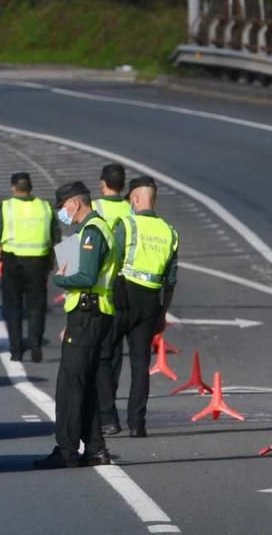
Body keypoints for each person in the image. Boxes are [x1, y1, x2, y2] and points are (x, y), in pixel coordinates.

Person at [34, 181, 116, 470]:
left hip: (89, 314)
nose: (62, 213)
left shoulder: (93, 231)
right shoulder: (87, 231)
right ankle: (95, 449)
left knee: (70, 385)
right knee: (87, 383)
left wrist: (60, 277)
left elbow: (87, 277)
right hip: (88, 315)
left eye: (63, 207)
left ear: (75, 203)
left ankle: (66, 450)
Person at [96, 176, 178, 439]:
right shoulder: (169, 231)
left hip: (123, 297)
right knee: (141, 364)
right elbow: (172, 279)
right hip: (151, 301)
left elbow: (112, 262)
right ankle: (137, 423)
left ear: (134, 199)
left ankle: (109, 419)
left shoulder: (127, 225)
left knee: (106, 356)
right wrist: (163, 313)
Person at [0, 173, 60, 362]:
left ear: (13, 187)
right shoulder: (44, 206)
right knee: (37, 306)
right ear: (30, 187)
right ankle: (35, 344)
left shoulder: (7, 207)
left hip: (13, 262)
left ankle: (16, 350)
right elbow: (56, 237)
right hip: (38, 262)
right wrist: (60, 264)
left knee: (13, 307)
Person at [92, 163, 133, 435]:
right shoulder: (131, 209)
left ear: (102, 182)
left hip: (102, 285)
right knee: (116, 352)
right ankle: (110, 397)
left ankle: (106, 412)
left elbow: (69, 224)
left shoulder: (95, 207)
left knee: (102, 353)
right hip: (129, 286)